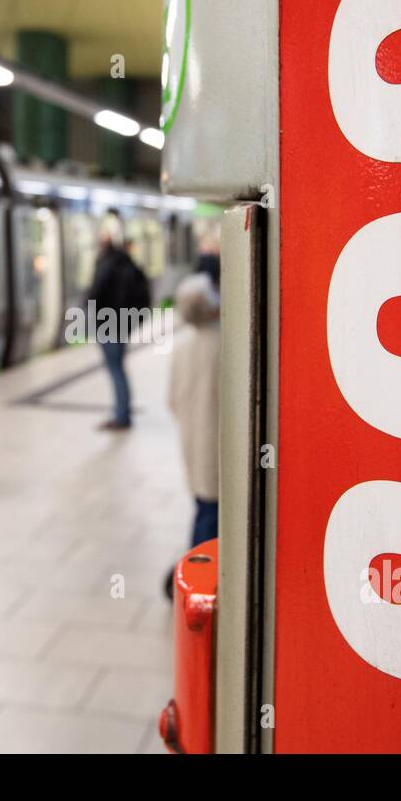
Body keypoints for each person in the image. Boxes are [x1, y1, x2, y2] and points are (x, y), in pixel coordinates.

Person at [164, 250, 222, 599]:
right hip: (217, 446)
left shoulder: (182, 347)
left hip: (192, 443)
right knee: (210, 515)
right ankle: (189, 583)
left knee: (203, 506)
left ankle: (189, 576)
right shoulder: (225, 344)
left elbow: (172, 401)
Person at [88, 228, 150, 431]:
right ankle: (122, 412)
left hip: (108, 324)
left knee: (116, 370)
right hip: (123, 324)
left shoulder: (106, 264)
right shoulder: (128, 263)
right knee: (119, 369)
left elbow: (95, 293)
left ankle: (121, 416)